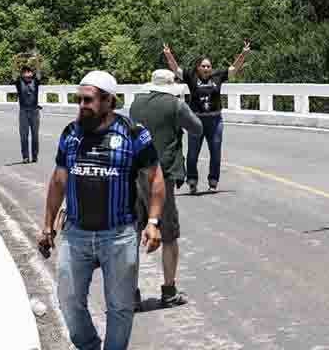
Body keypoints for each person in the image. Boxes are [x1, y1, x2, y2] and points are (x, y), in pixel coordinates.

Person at [37, 70, 165, 350]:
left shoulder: (133, 134)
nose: (82, 106)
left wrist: (153, 221)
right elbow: (59, 181)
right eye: (79, 100)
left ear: (109, 101)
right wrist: (48, 227)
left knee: (120, 307)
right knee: (69, 302)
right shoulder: (70, 134)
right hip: (75, 234)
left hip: (118, 235)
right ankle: (90, 346)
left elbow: (155, 177)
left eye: (89, 100)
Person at [129, 69, 202, 309]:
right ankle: (169, 291)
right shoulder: (174, 104)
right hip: (163, 173)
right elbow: (197, 128)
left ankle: (130, 293)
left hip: (137, 171)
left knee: (133, 233)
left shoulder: (136, 103)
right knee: (169, 234)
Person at [163, 41, 250, 193]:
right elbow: (175, 69)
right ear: (198, 67)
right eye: (203, 66)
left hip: (215, 121)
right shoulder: (191, 76)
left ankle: (213, 181)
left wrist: (243, 53)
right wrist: (168, 54)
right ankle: (192, 180)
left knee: (215, 152)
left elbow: (234, 69)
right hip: (196, 120)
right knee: (192, 154)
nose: (206, 68)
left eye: (208, 66)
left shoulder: (218, 77)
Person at [15, 58, 43, 163]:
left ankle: (35, 156)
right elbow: (14, 72)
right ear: (22, 74)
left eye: (29, 72)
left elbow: (39, 72)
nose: (27, 74)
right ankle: (25, 157)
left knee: (35, 135)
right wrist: (17, 60)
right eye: (25, 72)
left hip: (34, 111)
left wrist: (36, 62)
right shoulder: (19, 82)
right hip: (23, 112)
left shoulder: (35, 81)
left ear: (32, 73)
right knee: (24, 135)